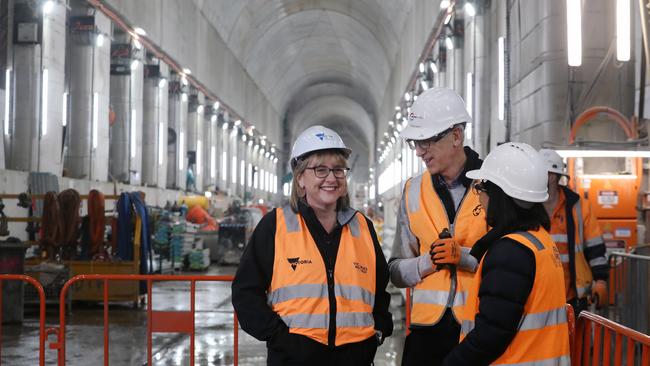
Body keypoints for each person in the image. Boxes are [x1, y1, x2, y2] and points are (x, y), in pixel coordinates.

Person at [232, 125, 393, 366]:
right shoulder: (275, 226)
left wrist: (378, 331)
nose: (331, 178)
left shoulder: (363, 227)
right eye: (320, 170)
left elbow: (379, 289)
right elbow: (245, 293)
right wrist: (281, 339)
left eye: (338, 170)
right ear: (300, 178)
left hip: (355, 358)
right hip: (294, 359)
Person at [442, 142, 570, 365]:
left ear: (499, 196)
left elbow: (491, 335)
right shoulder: (539, 239)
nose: (480, 199)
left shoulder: (510, 253)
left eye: (483, 189)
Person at [389, 87, 488, 366]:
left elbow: (513, 261)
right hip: (426, 335)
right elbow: (396, 271)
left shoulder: (493, 186)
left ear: (456, 135)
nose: (420, 152)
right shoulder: (412, 191)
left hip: (478, 329)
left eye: (428, 141)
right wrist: (427, 262)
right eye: (415, 143)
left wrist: (464, 257)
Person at [539, 148, 608, 314]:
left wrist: (601, 280)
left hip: (572, 297)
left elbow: (595, 247)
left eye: (541, 174)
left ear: (553, 177)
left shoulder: (578, 207)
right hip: (538, 295)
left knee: (575, 340)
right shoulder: (527, 207)